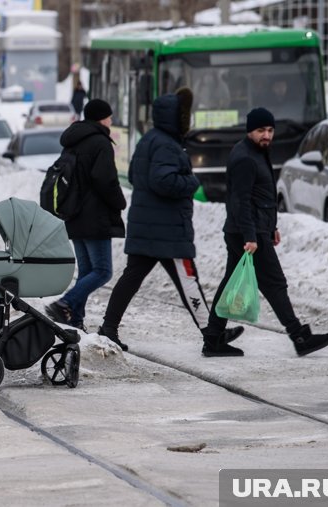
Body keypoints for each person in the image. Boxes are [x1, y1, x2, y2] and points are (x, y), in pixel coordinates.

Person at [97, 88, 243, 351]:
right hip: (166, 227)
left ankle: (109, 328)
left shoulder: (150, 139)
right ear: (175, 118)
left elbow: (134, 175)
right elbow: (162, 180)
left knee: (132, 277)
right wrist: (191, 181)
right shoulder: (166, 144)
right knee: (188, 279)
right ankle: (212, 337)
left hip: (150, 224)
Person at [200, 107, 328, 357]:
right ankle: (298, 336)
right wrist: (251, 236)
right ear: (249, 131)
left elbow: (260, 195)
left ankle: (213, 338)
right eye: (261, 130)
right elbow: (240, 201)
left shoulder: (257, 151)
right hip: (247, 232)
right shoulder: (244, 157)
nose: (267, 135)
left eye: (270, 130)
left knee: (232, 281)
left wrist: (271, 226)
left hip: (250, 229)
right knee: (275, 283)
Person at [44, 99, 127, 332]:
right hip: (95, 216)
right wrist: (119, 202)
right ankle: (65, 303)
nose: (111, 120)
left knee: (88, 271)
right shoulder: (100, 142)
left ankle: (75, 318)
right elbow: (105, 180)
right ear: (102, 118)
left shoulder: (73, 141)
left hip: (73, 214)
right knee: (102, 271)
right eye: (109, 116)